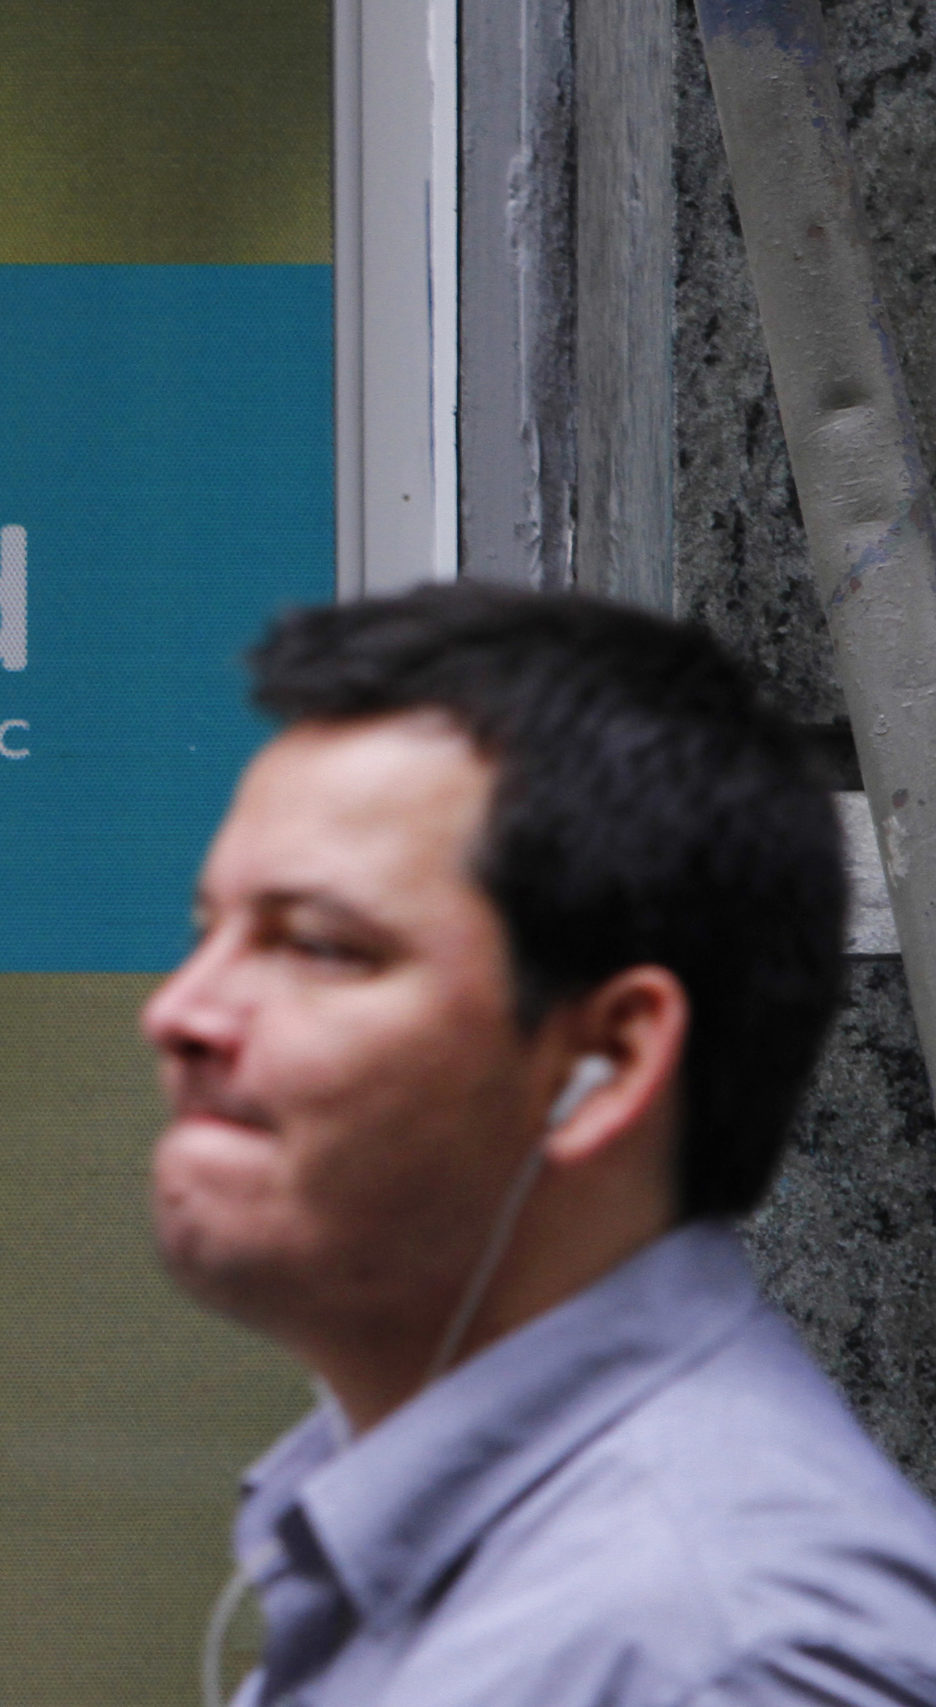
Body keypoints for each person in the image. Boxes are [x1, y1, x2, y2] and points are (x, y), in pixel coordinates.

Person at [141, 585, 936, 1706]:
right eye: (207, 931)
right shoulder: (461, 1565)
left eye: (316, 944)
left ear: (609, 1057)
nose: (178, 1011)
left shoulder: (730, 1651)